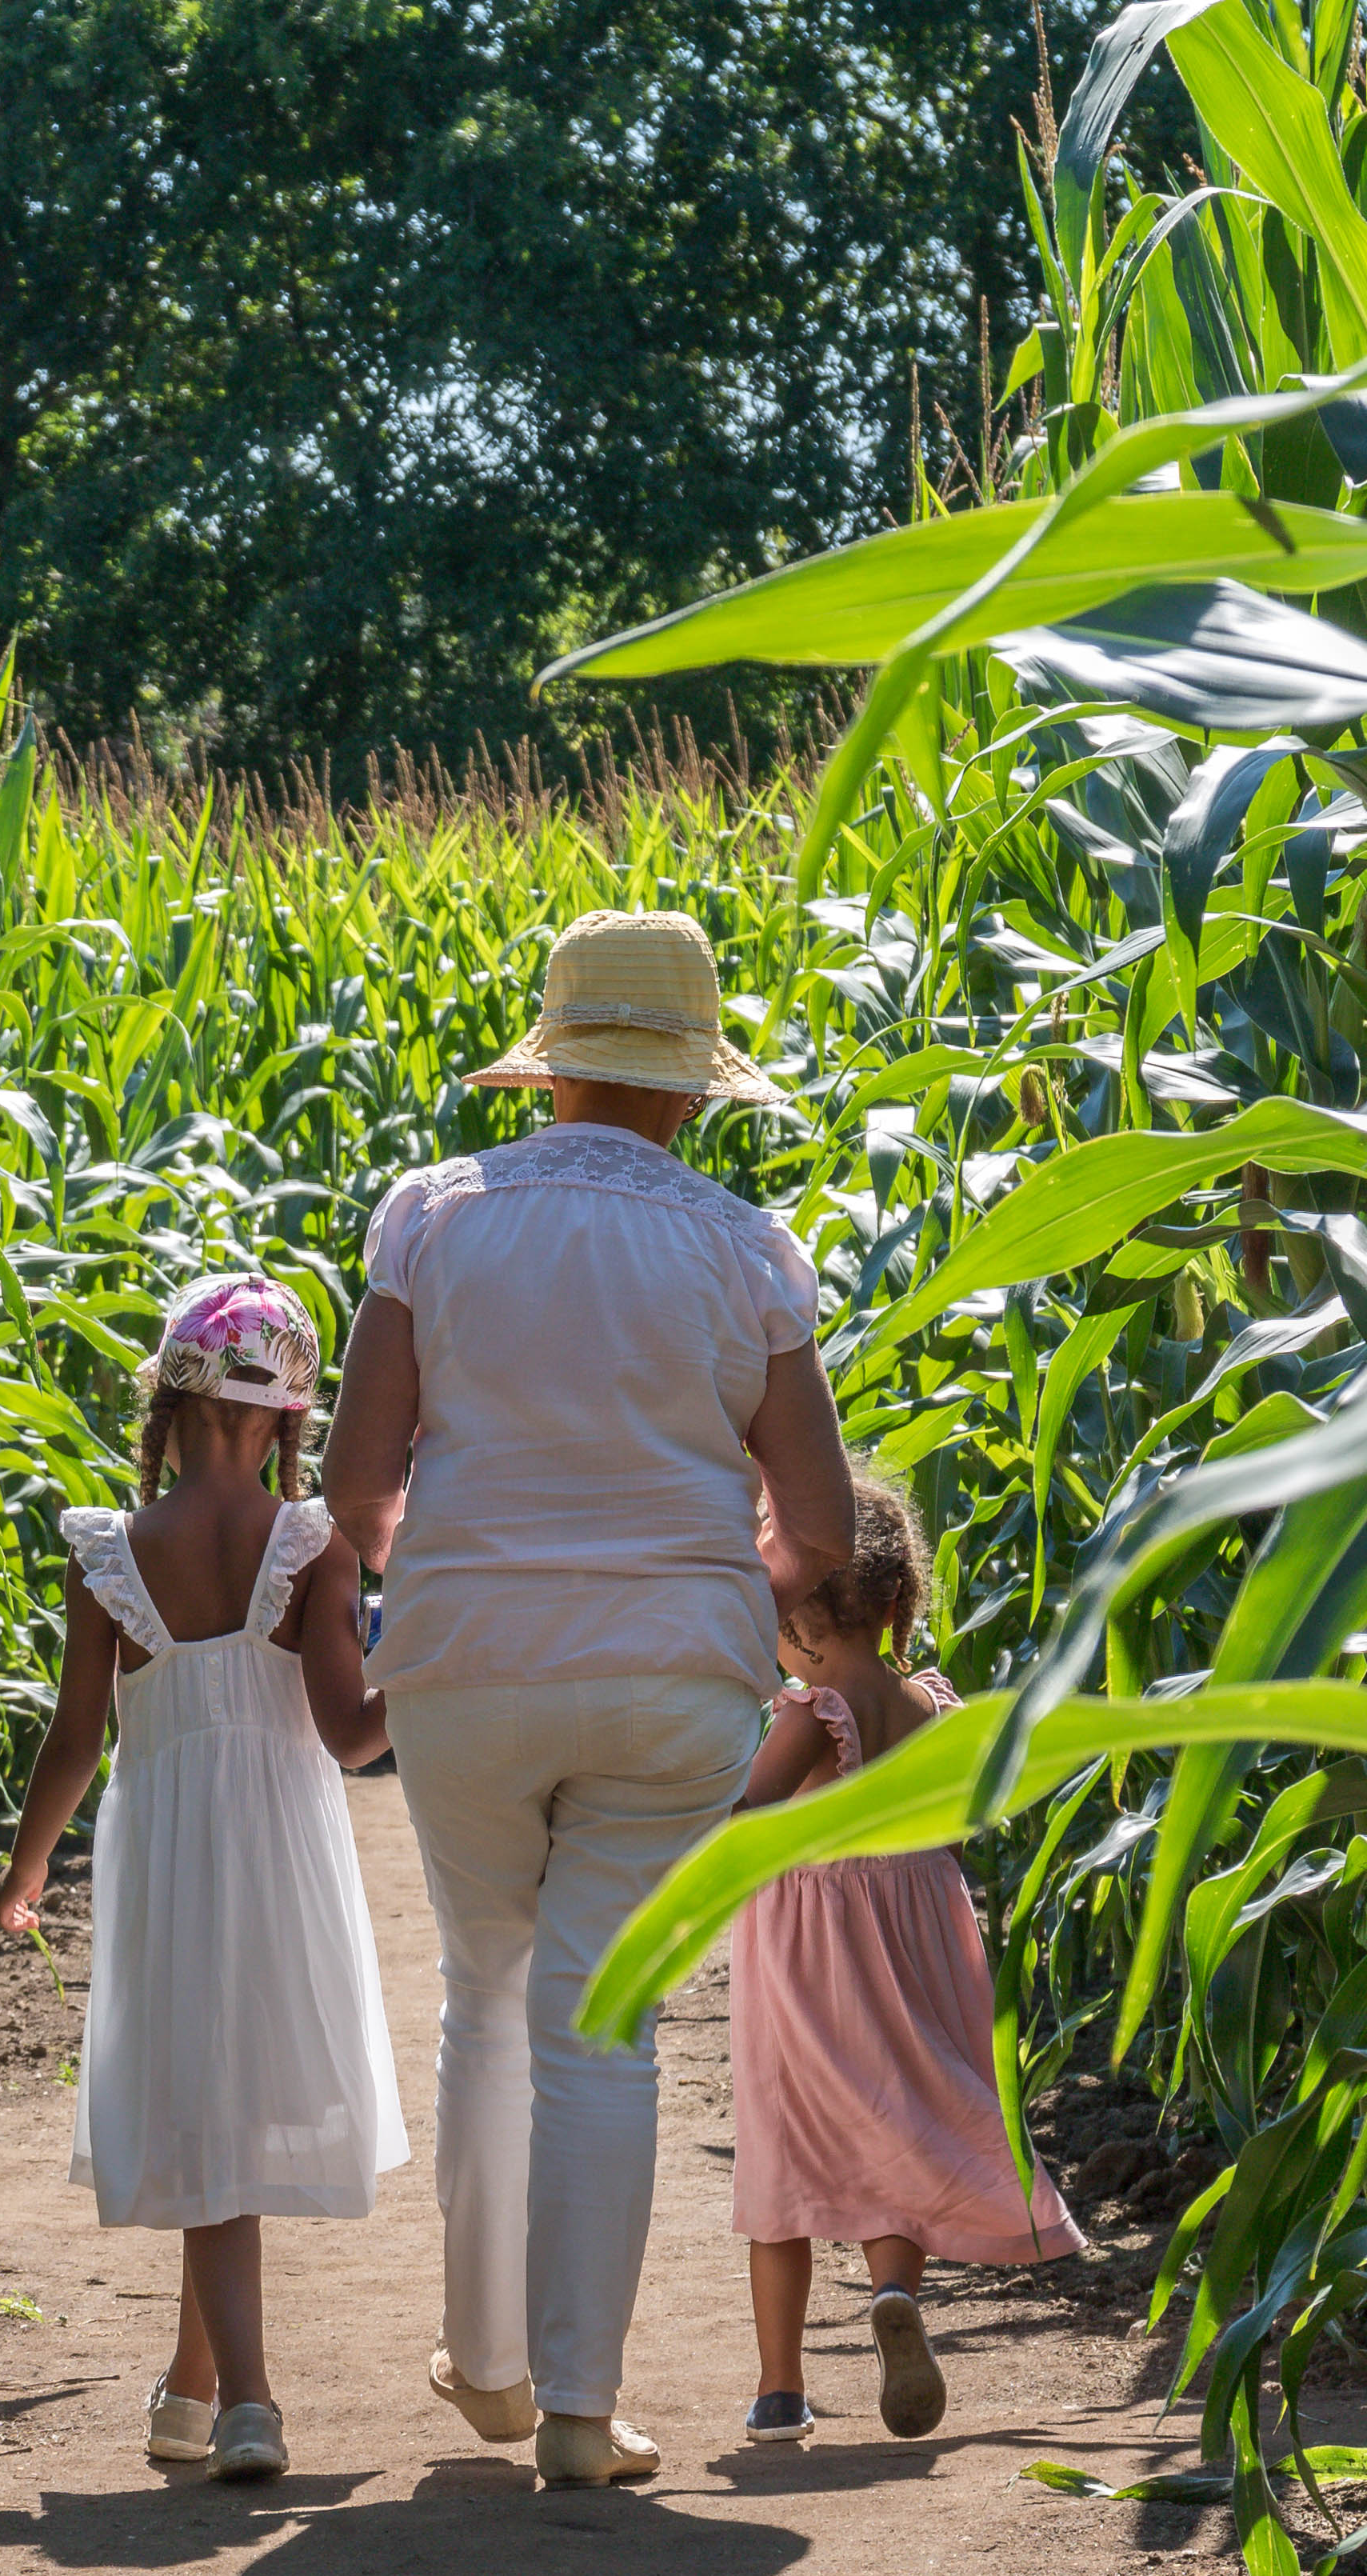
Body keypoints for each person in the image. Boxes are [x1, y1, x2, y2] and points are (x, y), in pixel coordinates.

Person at [321, 910, 854, 2490]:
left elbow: (356, 1482)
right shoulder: (745, 1249)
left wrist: (457, 1570)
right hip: (674, 1673)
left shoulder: (435, 1216)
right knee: (600, 2024)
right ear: (690, 1086)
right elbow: (821, 1527)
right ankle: (577, 2404)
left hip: (467, 1663)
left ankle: (484, 2363)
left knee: (485, 1992)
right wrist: (718, 1598)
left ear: (550, 1066)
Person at [0, 1275, 408, 2485]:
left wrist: (27, 1865)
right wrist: (434, 1662)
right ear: (288, 1420)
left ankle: (248, 2406)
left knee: (205, 2116)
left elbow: (76, 1740)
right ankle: (193, 2390)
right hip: (284, 1856)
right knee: (226, 2120)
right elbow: (353, 1737)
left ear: (167, 1412)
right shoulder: (314, 1546)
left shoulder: (112, 1554)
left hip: (169, 1856)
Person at [727, 1461, 1073, 2441]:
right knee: (894, 2127)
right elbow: (955, 1832)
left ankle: (780, 2388)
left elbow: (748, 1819)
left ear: (801, 1615)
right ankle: (895, 2297)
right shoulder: (930, 1707)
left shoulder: (812, 1714)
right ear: (895, 1602)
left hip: (809, 1950)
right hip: (918, 1924)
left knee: (785, 2154)